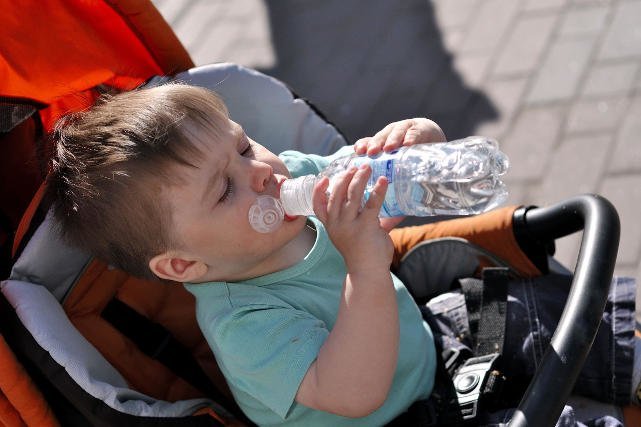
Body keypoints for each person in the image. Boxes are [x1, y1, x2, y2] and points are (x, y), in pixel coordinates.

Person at [47, 83, 638, 426]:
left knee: (510, 299)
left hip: (434, 344)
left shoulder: (296, 180)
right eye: (225, 187)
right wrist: (363, 264)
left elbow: (387, 199)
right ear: (183, 266)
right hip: (401, 420)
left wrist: (418, 148)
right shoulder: (243, 327)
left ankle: (627, 353)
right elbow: (355, 391)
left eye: (246, 146)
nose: (260, 174)